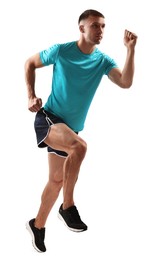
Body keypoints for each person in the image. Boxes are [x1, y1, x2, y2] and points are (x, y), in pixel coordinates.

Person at [24, 9, 137, 253]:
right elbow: (30, 63)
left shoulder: (103, 61)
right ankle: (68, 207)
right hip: (49, 119)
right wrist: (31, 95)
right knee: (80, 146)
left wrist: (130, 50)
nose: (101, 31)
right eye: (95, 26)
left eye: (104, 26)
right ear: (82, 28)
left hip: (69, 128)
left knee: (56, 180)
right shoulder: (62, 51)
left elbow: (125, 82)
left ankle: (37, 225)